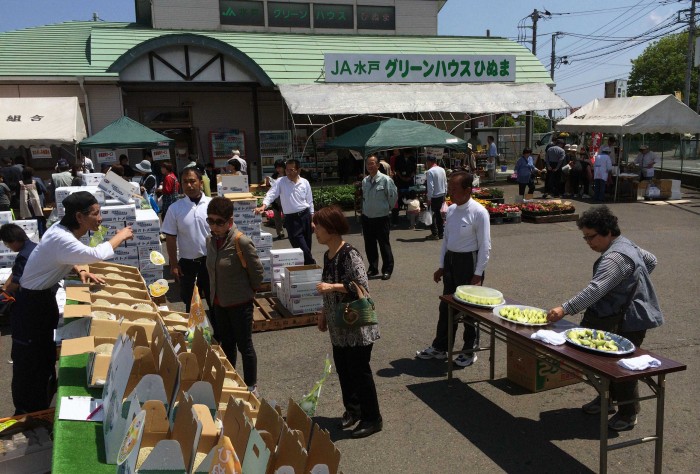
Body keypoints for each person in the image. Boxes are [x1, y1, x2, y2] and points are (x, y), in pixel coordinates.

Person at [12, 191, 133, 414]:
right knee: (31, 364)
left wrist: (79, 268)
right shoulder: (62, 237)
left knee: (45, 357)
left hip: (42, 298)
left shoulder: (62, 229)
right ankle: (29, 415)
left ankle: (43, 408)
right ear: (80, 217)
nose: (100, 219)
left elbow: (62, 256)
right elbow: (96, 253)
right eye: (96, 214)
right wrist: (121, 235)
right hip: (31, 306)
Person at [547, 206, 663, 431]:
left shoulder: (615, 259)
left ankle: (628, 412)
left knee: (622, 367)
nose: (589, 243)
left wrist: (564, 309)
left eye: (591, 237)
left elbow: (596, 289)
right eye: (585, 238)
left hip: (626, 320)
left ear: (608, 232)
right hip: (616, 313)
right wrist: (631, 283)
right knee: (600, 362)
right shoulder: (626, 244)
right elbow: (650, 260)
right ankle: (607, 399)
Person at [313, 205, 382, 438]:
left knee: (360, 372)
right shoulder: (327, 254)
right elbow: (327, 288)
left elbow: (362, 287)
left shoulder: (349, 253)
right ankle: (353, 411)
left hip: (357, 326)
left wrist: (332, 287)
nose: (315, 230)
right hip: (338, 326)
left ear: (331, 229)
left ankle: (373, 418)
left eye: (319, 226)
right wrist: (323, 314)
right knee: (344, 370)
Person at [416, 171, 491, 367]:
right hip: (451, 261)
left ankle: (469, 349)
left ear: (468, 190)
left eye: (454, 190)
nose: (450, 194)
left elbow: (485, 245)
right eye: (449, 189)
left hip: (469, 263)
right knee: (446, 306)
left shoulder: (479, 212)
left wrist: (478, 273)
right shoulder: (451, 210)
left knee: (469, 310)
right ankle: (441, 347)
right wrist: (441, 266)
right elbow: (446, 241)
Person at [205, 197, 264, 396]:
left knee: (244, 345)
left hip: (240, 303)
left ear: (230, 221)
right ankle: (229, 379)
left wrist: (249, 292)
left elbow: (257, 273)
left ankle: (251, 385)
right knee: (226, 345)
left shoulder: (241, 241)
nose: (214, 226)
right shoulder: (210, 241)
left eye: (219, 222)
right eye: (210, 221)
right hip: (218, 302)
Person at [162, 168, 213, 316]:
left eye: (192, 181)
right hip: (187, 264)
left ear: (201, 183)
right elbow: (170, 238)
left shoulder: (212, 204)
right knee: (190, 304)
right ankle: (193, 337)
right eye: (185, 182)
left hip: (211, 262)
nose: (189, 185)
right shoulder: (175, 208)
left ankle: (220, 336)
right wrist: (173, 264)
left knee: (214, 301)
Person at [255, 159, 315, 265]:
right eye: (287, 170)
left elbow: (310, 202)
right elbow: (271, 194)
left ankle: (307, 272)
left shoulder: (304, 182)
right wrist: (263, 206)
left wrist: (312, 220)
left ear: (298, 170)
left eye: (291, 170)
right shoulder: (281, 182)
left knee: (307, 246)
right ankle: (313, 266)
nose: (289, 172)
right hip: (292, 220)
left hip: (305, 216)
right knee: (301, 248)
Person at [361, 155, 398, 280]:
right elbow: (364, 198)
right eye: (368, 164)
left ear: (378, 165)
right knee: (369, 245)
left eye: (372, 163)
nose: (370, 166)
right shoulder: (365, 181)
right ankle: (373, 268)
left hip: (382, 218)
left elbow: (392, 198)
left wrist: (385, 209)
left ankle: (387, 269)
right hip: (367, 217)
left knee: (384, 244)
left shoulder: (386, 180)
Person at [0, 223, 37, 297]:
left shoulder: (23, 256)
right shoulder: (34, 246)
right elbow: (16, 273)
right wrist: (4, 287)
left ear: (14, 241)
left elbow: (15, 284)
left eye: (7, 244)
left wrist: (4, 295)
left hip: (33, 295)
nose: (8, 247)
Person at [425, 155, 447, 240]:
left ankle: (435, 234)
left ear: (430, 162)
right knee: (439, 215)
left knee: (432, 215)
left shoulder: (430, 171)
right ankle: (441, 233)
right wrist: (445, 194)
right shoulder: (442, 170)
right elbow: (445, 183)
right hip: (441, 195)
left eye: (427, 162)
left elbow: (430, 187)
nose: (426, 163)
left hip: (434, 196)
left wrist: (429, 198)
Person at [19, 167, 46, 235]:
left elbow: (17, 194)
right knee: (38, 217)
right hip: (35, 203)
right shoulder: (34, 182)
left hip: (25, 203)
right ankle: (40, 233)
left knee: (27, 219)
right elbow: (40, 192)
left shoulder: (20, 183)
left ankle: (30, 234)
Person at [264, 159, 286, 240]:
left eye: (280, 167)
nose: (278, 169)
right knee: (277, 217)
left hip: (286, 199)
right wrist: (267, 182)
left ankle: (291, 231)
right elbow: (270, 189)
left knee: (287, 216)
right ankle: (280, 233)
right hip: (276, 200)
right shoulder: (274, 176)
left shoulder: (288, 175)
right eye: (277, 168)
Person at [391, 150, 416, 225]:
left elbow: (414, 170)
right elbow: (396, 170)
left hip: (410, 181)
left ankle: (409, 215)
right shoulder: (398, 158)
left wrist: (410, 177)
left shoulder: (412, 158)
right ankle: (395, 218)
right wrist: (402, 177)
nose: (408, 156)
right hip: (400, 181)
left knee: (411, 198)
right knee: (398, 199)